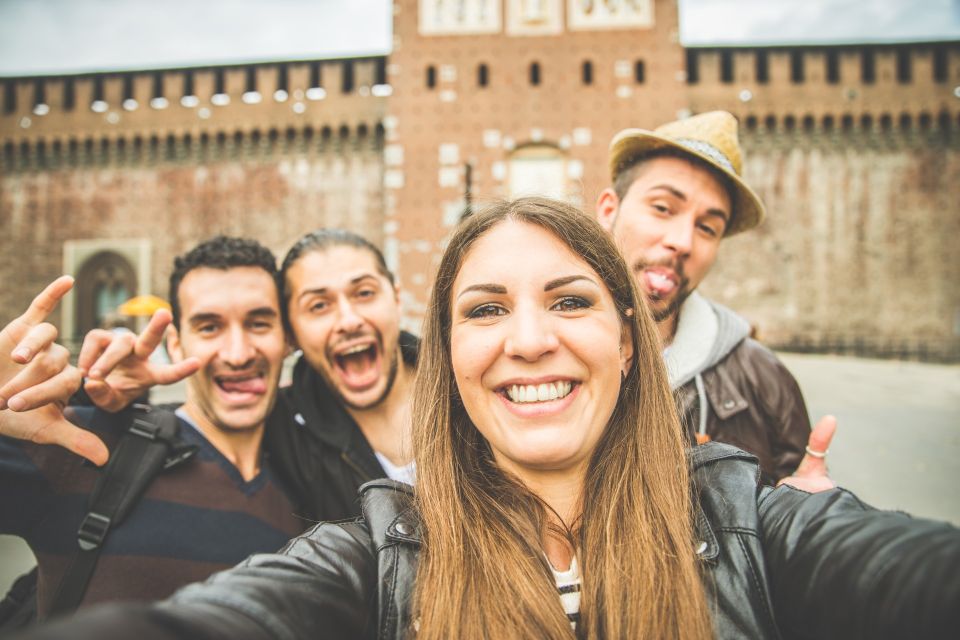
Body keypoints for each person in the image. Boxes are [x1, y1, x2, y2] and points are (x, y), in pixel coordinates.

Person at [15, 197, 959, 640]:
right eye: (486, 309)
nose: (531, 340)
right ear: (453, 356)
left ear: (631, 342)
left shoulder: (754, 523)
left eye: (572, 301)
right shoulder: (380, 547)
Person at [0, 236, 304, 617]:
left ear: (287, 340)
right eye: (209, 327)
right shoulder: (80, 441)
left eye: (259, 323)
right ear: (175, 344)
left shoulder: (309, 482)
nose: (238, 353)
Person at [597, 111, 820, 484]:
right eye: (663, 208)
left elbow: (797, 512)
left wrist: (807, 521)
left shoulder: (765, 382)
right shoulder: (539, 351)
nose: (683, 242)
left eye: (707, 227)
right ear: (609, 210)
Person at [265, 229, 417, 519]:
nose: (348, 320)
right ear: (292, 333)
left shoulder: (465, 387)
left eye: (364, 293)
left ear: (396, 300)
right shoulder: (281, 430)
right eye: (319, 305)